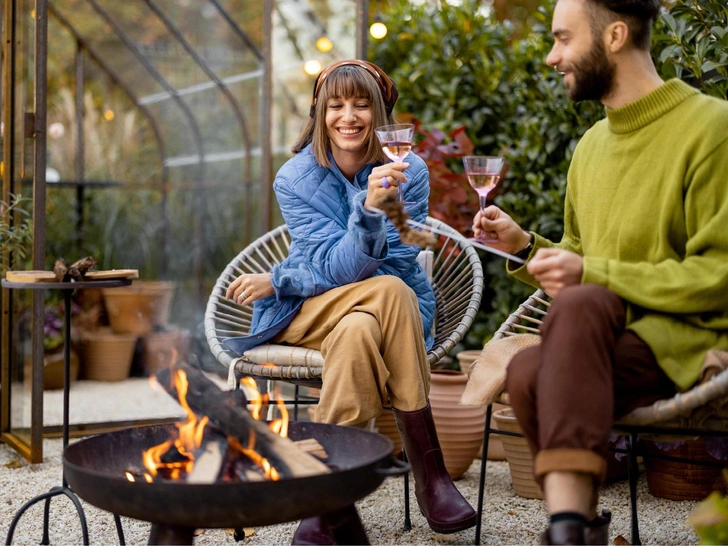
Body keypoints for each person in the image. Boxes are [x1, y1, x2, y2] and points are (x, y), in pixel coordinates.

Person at [473, 0, 728, 543]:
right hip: (599, 340)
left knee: (574, 315)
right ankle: (579, 528)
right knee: (523, 372)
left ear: (614, 35)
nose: (551, 57)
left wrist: (592, 273)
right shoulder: (590, 147)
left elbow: (719, 274)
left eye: (563, 39)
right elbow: (578, 256)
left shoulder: (712, 128)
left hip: (682, 341)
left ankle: (567, 530)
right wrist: (523, 248)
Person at [223, 60, 476, 543]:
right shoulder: (294, 178)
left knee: (363, 327)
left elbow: (400, 258)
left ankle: (327, 504)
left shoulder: (409, 171)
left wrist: (284, 275)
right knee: (388, 292)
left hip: (379, 313)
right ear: (319, 111)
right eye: (336, 104)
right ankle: (432, 477)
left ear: (379, 112)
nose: (349, 116)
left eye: (361, 104)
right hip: (304, 310)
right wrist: (366, 214)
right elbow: (330, 269)